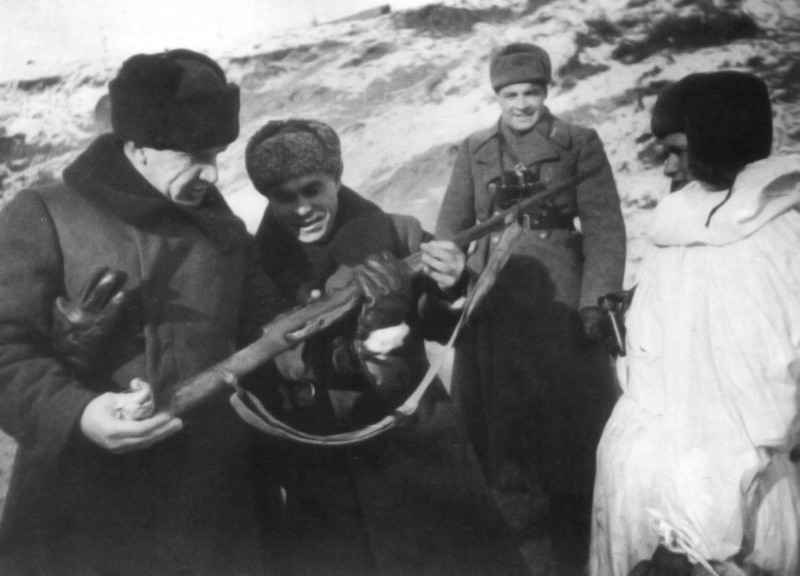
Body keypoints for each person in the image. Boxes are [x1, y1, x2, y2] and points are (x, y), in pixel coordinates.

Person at [0, 49, 290, 575]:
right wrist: (78, 412)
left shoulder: (226, 233)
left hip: (214, 506)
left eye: (219, 152)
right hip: (86, 503)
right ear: (137, 147)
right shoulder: (45, 214)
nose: (212, 172)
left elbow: (269, 334)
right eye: (195, 155)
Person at [243, 118, 531, 576]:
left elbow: (446, 326)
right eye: (284, 196)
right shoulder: (251, 265)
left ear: (336, 178)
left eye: (312, 189)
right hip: (322, 462)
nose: (302, 208)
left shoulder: (399, 234)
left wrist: (453, 284)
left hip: (415, 450)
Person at [590, 71, 800, 576]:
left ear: (719, 139)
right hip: (658, 468)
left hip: (727, 490)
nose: (668, 166)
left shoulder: (773, 239)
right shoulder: (680, 225)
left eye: (679, 150)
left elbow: (765, 393)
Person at [434, 42, 626, 571]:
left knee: (568, 425)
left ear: (546, 92)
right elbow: (450, 228)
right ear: (496, 95)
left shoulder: (577, 143)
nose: (521, 104)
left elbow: (605, 226)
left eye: (531, 93)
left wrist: (595, 300)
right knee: (497, 425)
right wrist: (451, 280)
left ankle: (574, 540)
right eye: (510, 94)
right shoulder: (474, 149)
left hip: (560, 298)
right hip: (492, 296)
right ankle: (512, 542)